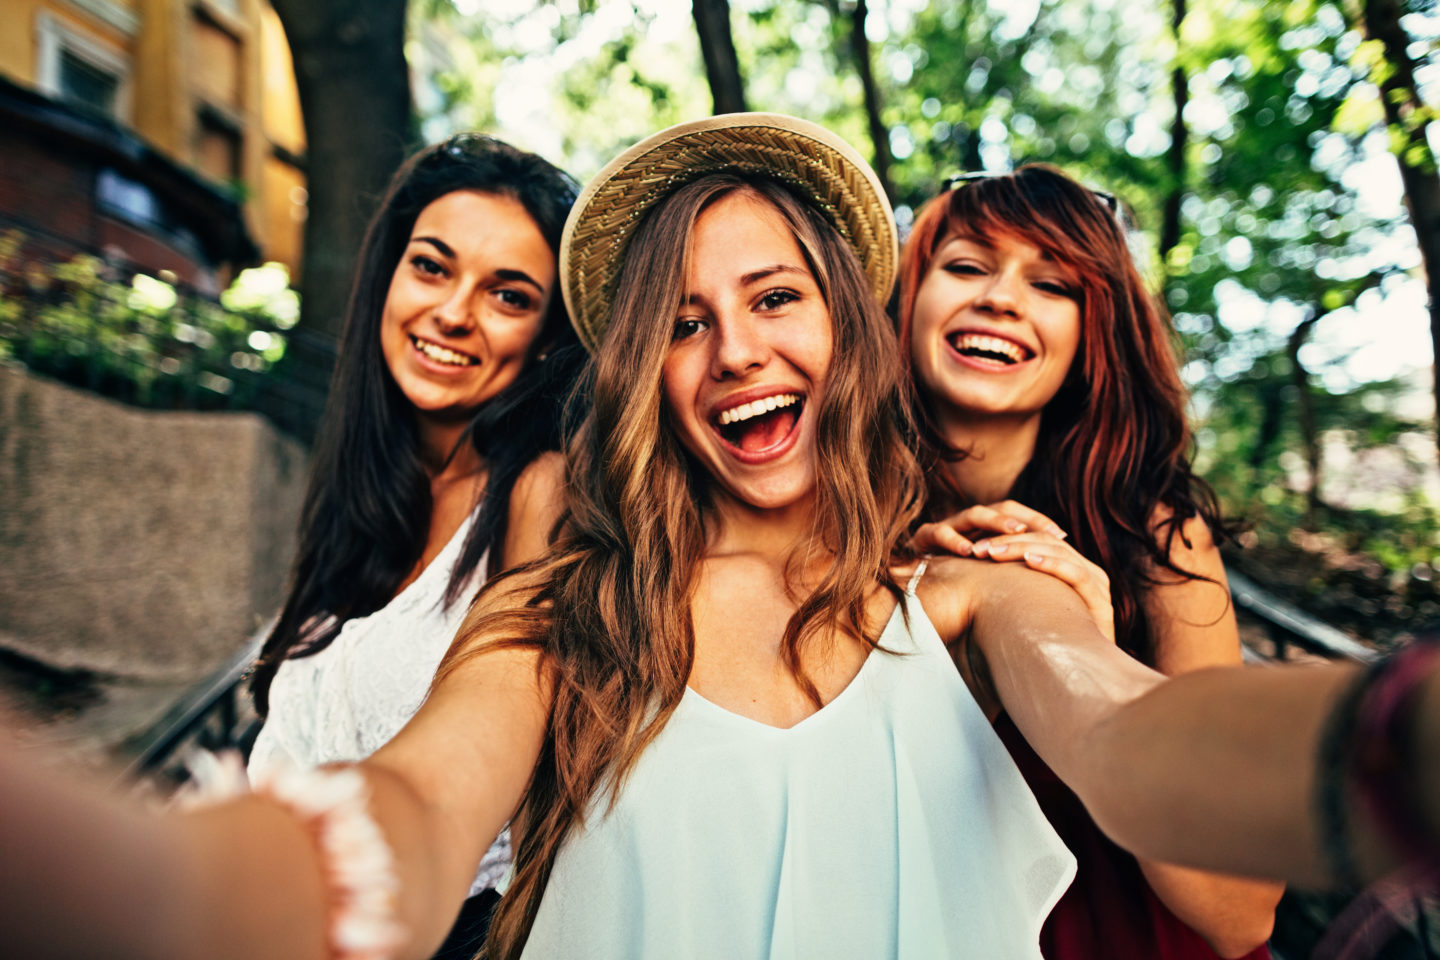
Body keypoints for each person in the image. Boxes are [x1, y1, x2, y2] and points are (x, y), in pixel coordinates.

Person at [2, 115, 1439, 960]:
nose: (735, 351)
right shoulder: (564, 612)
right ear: (639, 377)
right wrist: (166, 883)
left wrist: (1389, 746)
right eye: (682, 322)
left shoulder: (976, 593)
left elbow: (1135, 744)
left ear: (850, 327)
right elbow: (424, 806)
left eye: (776, 300)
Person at [896, 166, 1282, 958]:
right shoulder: (827, 529)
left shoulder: (1158, 536)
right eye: (967, 266)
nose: (1000, 298)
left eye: (1053, 284)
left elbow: (1241, 910)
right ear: (906, 302)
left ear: (1092, 333)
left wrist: (1079, 658)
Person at [245, 134, 584, 955]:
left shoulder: (543, 491)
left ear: (546, 335)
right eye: (432, 266)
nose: (454, 311)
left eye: (507, 294)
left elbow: (490, 732)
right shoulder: (360, 495)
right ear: (388, 277)